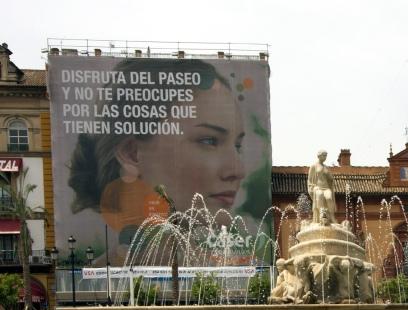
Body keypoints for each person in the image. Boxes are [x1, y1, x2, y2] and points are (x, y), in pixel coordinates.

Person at [65, 58, 261, 262]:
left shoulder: (244, 273)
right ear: (132, 153)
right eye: (209, 140)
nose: (238, 170)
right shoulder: (97, 287)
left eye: (237, 146)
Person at [307, 150, 336, 224]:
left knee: (329, 197)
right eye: (324, 155)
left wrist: (331, 178)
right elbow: (310, 180)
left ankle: (332, 217)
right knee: (319, 195)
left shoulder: (326, 167)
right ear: (319, 156)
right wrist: (312, 188)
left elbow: (330, 178)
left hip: (326, 187)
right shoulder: (313, 166)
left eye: (326, 156)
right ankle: (322, 215)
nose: (325, 157)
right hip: (318, 187)